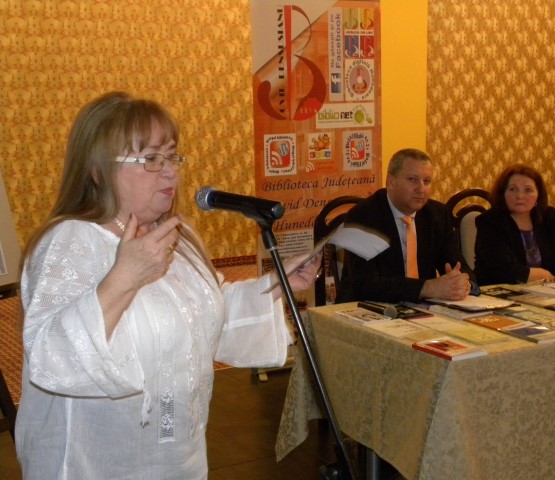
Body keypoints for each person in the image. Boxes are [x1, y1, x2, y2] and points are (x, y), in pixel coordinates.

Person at [15, 91, 320, 479]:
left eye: (172, 156)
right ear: (97, 170)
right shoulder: (72, 240)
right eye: (151, 159)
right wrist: (124, 278)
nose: (171, 172)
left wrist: (278, 284)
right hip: (93, 463)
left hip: (177, 459)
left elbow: (206, 309)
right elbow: (51, 355)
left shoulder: (176, 235)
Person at [337, 148, 477, 304]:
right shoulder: (362, 216)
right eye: (412, 179)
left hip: (423, 308)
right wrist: (427, 288)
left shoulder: (437, 214)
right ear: (390, 182)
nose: (421, 189)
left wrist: (464, 284)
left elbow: (458, 265)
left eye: (426, 181)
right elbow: (366, 285)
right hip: (367, 308)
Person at [474, 164, 555, 285]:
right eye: (513, 189)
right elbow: (504, 270)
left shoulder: (547, 216)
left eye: (528, 190)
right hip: (500, 291)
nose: (520, 196)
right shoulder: (490, 221)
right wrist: (543, 275)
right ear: (503, 193)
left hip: (546, 289)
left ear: (538, 195)